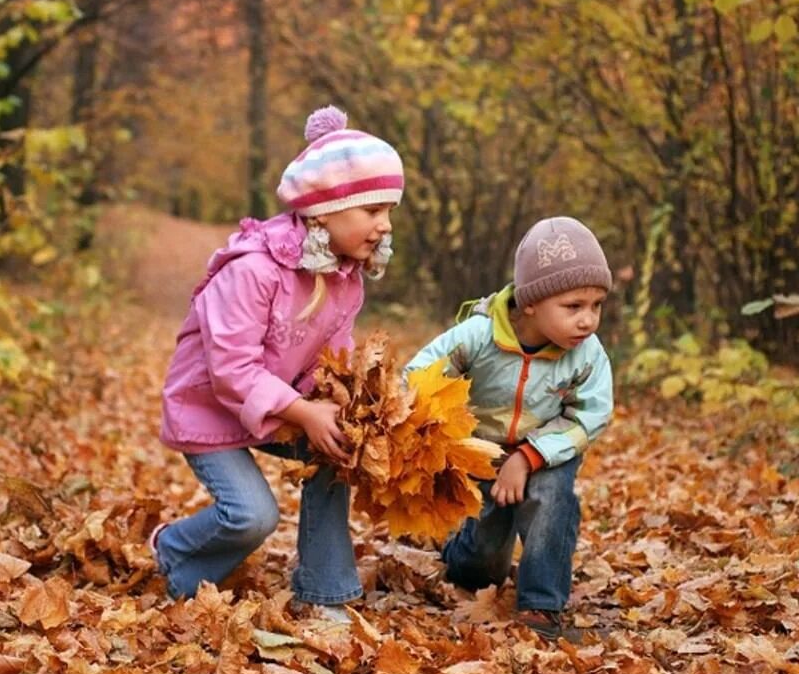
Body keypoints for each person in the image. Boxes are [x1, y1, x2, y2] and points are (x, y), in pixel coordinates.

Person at [151, 106, 403, 619]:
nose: (384, 225)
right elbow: (231, 370)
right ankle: (176, 551)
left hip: (278, 405)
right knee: (252, 517)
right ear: (323, 212)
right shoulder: (254, 271)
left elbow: (333, 352)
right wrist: (305, 413)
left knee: (336, 449)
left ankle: (324, 589)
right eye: (372, 210)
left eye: (389, 211)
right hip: (210, 408)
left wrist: (339, 398)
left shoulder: (343, 275)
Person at [405, 216, 614, 640]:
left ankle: (542, 605)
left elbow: (590, 414)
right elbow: (418, 377)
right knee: (485, 559)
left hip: (547, 449)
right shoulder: (480, 335)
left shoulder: (587, 354)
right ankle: (458, 553)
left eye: (596, 306)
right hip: (482, 451)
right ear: (531, 301)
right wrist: (439, 432)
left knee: (552, 498)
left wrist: (530, 455)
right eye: (573, 306)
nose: (587, 320)